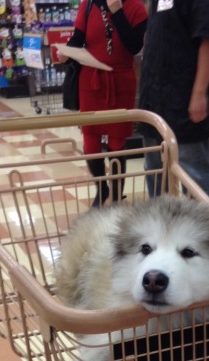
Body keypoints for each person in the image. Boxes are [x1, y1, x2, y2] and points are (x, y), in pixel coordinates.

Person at [60, 0, 148, 206]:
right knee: (90, 140)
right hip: (90, 81)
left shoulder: (136, 7)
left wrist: (117, 11)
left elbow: (134, 46)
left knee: (117, 142)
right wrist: (66, 52)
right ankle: (101, 189)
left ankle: (117, 195)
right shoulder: (88, 4)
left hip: (121, 81)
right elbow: (78, 38)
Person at [138, 0, 209, 201]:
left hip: (183, 101)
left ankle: (207, 232)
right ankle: (163, 228)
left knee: (194, 176)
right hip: (154, 102)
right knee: (155, 171)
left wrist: (199, 92)